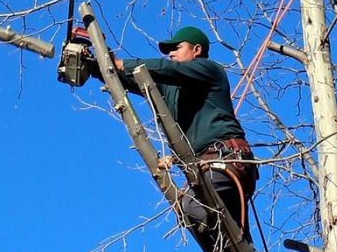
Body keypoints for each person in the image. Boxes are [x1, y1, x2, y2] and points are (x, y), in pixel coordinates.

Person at [111, 26, 260, 238]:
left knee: (191, 206)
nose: (170, 54)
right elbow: (135, 79)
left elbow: (166, 69)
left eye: (177, 48)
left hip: (225, 160)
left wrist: (122, 63)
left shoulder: (209, 70)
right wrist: (101, 65)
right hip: (209, 169)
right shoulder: (171, 88)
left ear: (196, 50)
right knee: (232, 245)